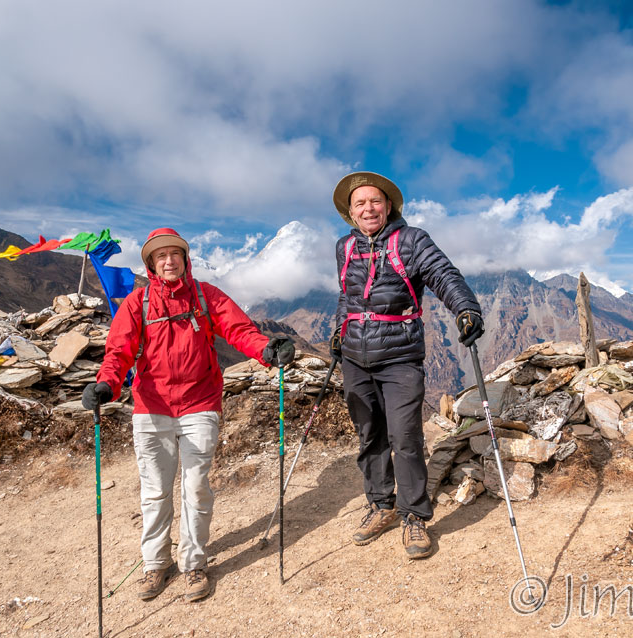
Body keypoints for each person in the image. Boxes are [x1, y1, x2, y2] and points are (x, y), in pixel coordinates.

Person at [83, 228, 295, 603]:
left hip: (200, 403)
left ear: (185, 258)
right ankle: (155, 564)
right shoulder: (138, 304)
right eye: (160, 256)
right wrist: (106, 385)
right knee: (155, 491)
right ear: (150, 264)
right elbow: (118, 353)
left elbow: (238, 329)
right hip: (152, 408)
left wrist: (266, 349)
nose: (169, 261)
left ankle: (194, 563)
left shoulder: (205, 296)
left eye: (174, 254)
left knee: (196, 486)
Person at [329, 172, 484, 559]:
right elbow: (347, 296)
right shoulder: (344, 247)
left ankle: (414, 516)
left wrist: (465, 308)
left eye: (375, 201)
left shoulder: (412, 240)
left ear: (389, 206)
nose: (368, 208)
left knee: (406, 439)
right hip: (354, 358)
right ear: (350, 212)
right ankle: (381, 505)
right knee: (369, 437)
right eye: (360, 203)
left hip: (399, 357)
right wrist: (338, 331)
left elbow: (443, 275)